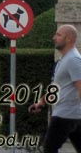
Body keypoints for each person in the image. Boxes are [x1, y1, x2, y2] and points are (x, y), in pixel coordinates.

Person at [29, 24, 81, 152]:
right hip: (71, 115)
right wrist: (40, 103)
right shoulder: (64, 60)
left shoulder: (73, 60)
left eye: (58, 35)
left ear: (68, 38)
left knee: (49, 149)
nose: (54, 38)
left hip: (65, 115)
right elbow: (57, 89)